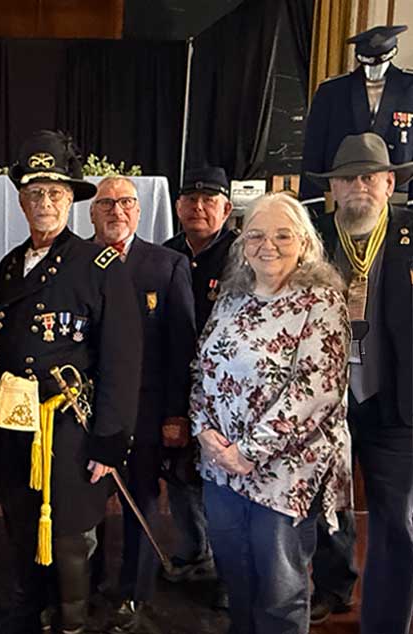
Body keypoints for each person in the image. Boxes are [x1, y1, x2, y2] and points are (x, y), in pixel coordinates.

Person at [0, 130, 142, 634]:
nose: (45, 202)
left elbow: (122, 360)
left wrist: (110, 441)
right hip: (13, 425)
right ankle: (30, 615)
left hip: (71, 430)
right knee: (19, 527)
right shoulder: (10, 266)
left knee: (72, 539)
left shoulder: (99, 266)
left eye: (55, 192)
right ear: (21, 199)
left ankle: (73, 624)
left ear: (71, 199)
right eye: (35, 193)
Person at [190, 192, 352, 634]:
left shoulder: (321, 302)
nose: (269, 245)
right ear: (243, 242)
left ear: (304, 241)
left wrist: (248, 451)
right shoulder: (230, 298)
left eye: (283, 235)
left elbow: (316, 391)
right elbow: (202, 367)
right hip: (220, 469)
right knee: (238, 584)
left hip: (283, 475)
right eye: (257, 234)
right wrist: (203, 429)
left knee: (281, 595)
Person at [305, 132, 413, 634]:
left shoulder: (410, 234)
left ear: (389, 183)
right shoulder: (314, 237)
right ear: (334, 189)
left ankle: (387, 623)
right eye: (347, 179)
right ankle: (332, 586)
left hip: (397, 403)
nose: (358, 188)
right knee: (330, 507)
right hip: (326, 401)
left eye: (369, 177)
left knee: (396, 522)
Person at [89, 176, 195, 633]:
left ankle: (135, 594)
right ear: (91, 212)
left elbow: (181, 346)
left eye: (126, 202)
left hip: (148, 411)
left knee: (142, 503)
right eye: (106, 203)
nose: (116, 211)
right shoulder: (77, 261)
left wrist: (176, 414)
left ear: (139, 210)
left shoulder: (167, 264)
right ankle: (88, 586)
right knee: (88, 505)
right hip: (87, 411)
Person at [161, 167, 238, 602]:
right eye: (190, 198)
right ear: (177, 207)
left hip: (224, 388)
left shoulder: (240, 254)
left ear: (226, 208)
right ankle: (193, 553)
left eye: (210, 199)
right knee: (179, 472)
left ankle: (228, 572)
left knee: (220, 480)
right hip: (176, 379)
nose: (199, 206)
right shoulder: (167, 252)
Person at [300, 25, 413, 202]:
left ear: (392, 54)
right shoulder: (332, 91)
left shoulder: (410, 88)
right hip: (347, 187)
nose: (374, 70)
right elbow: (314, 148)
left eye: (380, 62)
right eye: (368, 62)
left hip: (398, 189)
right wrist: (312, 201)